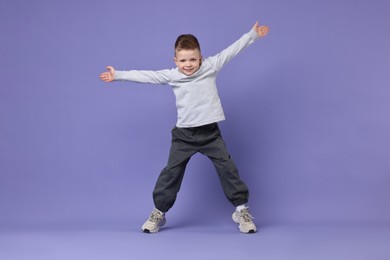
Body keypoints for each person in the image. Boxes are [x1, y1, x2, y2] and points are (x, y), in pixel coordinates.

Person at [99, 21, 270, 233]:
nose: (188, 64)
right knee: (171, 173)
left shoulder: (211, 66)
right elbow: (147, 76)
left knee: (228, 169)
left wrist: (252, 34)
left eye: (192, 59)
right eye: (183, 60)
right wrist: (119, 75)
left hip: (210, 134)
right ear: (175, 60)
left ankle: (241, 210)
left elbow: (232, 50)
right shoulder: (173, 75)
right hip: (184, 136)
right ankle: (158, 212)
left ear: (200, 57)